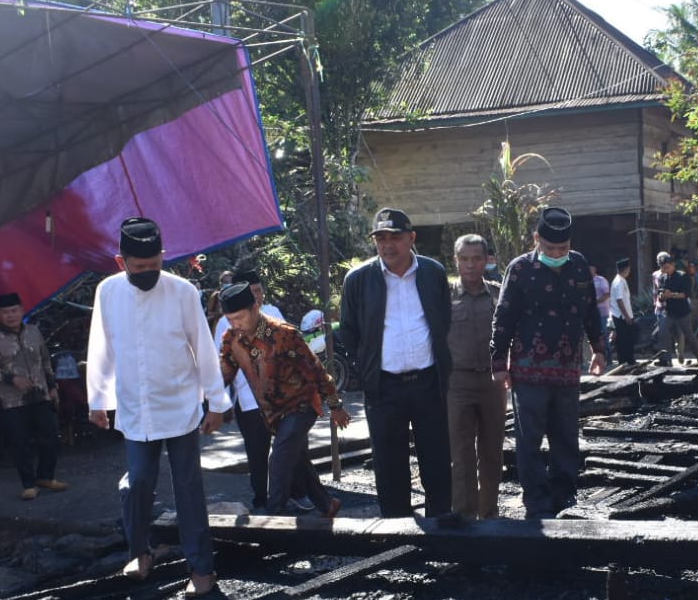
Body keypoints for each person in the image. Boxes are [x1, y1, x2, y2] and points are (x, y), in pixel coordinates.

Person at [87, 216, 228, 597]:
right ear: (122, 263)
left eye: (154, 266)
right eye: (139, 268)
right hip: (135, 407)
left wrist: (216, 402)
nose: (148, 273)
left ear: (163, 258)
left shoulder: (182, 291)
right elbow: (101, 347)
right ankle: (139, 551)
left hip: (180, 404)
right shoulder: (108, 292)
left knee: (188, 487)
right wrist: (98, 399)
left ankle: (201, 568)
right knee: (138, 483)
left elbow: (203, 348)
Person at [490, 207, 607, 519]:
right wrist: (499, 362)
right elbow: (503, 318)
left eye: (563, 248)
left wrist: (598, 348)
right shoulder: (518, 270)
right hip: (528, 371)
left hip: (568, 369)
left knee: (566, 435)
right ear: (536, 239)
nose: (557, 254)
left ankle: (564, 495)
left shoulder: (579, 265)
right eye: (550, 248)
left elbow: (590, 311)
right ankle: (536, 500)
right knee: (529, 439)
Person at [339, 207, 452, 518]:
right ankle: (396, 528)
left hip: (428, 382)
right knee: (389, 463)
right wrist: (366, 363)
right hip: (383, 386)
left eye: (395, 238)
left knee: (437, 457)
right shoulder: (359, 279)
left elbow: (443, 321)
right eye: (381, 239)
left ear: (411, 238)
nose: (388, 245)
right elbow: (347, 330)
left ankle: (440, 523)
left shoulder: (433, 273)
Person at [215, 284, 349, 517]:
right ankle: (327, 504)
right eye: (230, 319)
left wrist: (335, 405)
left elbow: (315, 370)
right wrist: (209, 402)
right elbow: (224, 374)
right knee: (296, 459)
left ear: (255, 307)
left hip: (301, 406)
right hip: (271, 413)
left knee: (278, 458)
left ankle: (272, 514)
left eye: (239, 317)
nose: (235, 324)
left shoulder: (284, 334)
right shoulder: (231, 339)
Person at [211, 270, 284, 511]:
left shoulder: (273, 313)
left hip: (281, 395)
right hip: (248, 398)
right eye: (252, 293)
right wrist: (222, 402)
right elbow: (220, 364)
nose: (257, 297)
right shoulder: (226, 322)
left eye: (260, 291)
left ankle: (294, 493)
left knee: (290, 447)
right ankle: (261, 498)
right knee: (257, 450)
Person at [0, 294, 65, 501]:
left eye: (14, 311)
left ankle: (46, 476)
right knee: (20, 442)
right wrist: (12, 379)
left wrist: (52, 386)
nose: (11, 315)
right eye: (6, 312)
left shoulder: (33, 331)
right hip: (12, 400)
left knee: (51, 436)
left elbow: (45, 360)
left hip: (40, 393)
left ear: (22, 310)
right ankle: (28, 483)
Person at [446, 234, 506, 520]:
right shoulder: (444, 296)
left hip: (493, 384)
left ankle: (489, 513)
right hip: (457, 383)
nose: (471, 264)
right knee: (461, 453)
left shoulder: (498, 293)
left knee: (492, 451)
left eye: (477, 258)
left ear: (486, 260)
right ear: (456, 261)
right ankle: (464, 514)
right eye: (465, 259)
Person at [655, 252, 698, 365]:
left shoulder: (683, 276)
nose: (665, 270)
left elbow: (685, 294)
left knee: (689, 335)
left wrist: (671, 295)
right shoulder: (662, 278)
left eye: (667, 267)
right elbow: (661, 295)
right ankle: (665, 359)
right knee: (662, 333)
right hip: (669, 312)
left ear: (673, 265)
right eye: (663, 268)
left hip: (683, 313)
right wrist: (662, 297)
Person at [608, 257, 637, 365]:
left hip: (624, 315)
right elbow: (619, 300)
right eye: (629, 268)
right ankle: (625, 362)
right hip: (621, 316)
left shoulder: (622, 280)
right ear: (626, 269)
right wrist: (627, 316)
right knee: (624, 340)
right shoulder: (619, 282)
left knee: (628, 339)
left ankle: (629, 360)